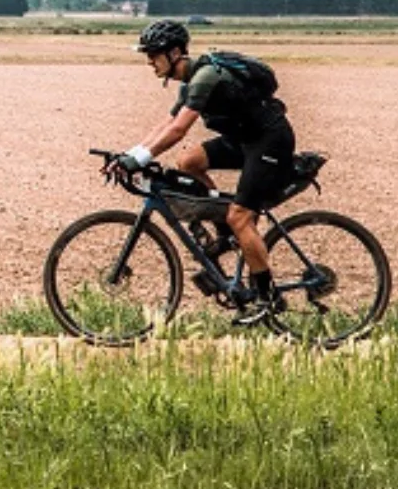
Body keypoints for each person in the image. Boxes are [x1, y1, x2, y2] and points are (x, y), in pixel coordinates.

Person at [111, 18, 296, 325]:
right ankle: (226, 233)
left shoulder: (205, 77)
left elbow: (180, 129)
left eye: (153, 54)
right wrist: (129, 155)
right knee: (188, 163)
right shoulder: (189, 83)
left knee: (241, 215)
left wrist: (139, 160)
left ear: (174, 53)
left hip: (269, 140)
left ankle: (267, 298)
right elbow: (166, 125)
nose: (148, 61)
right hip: (244, 139)